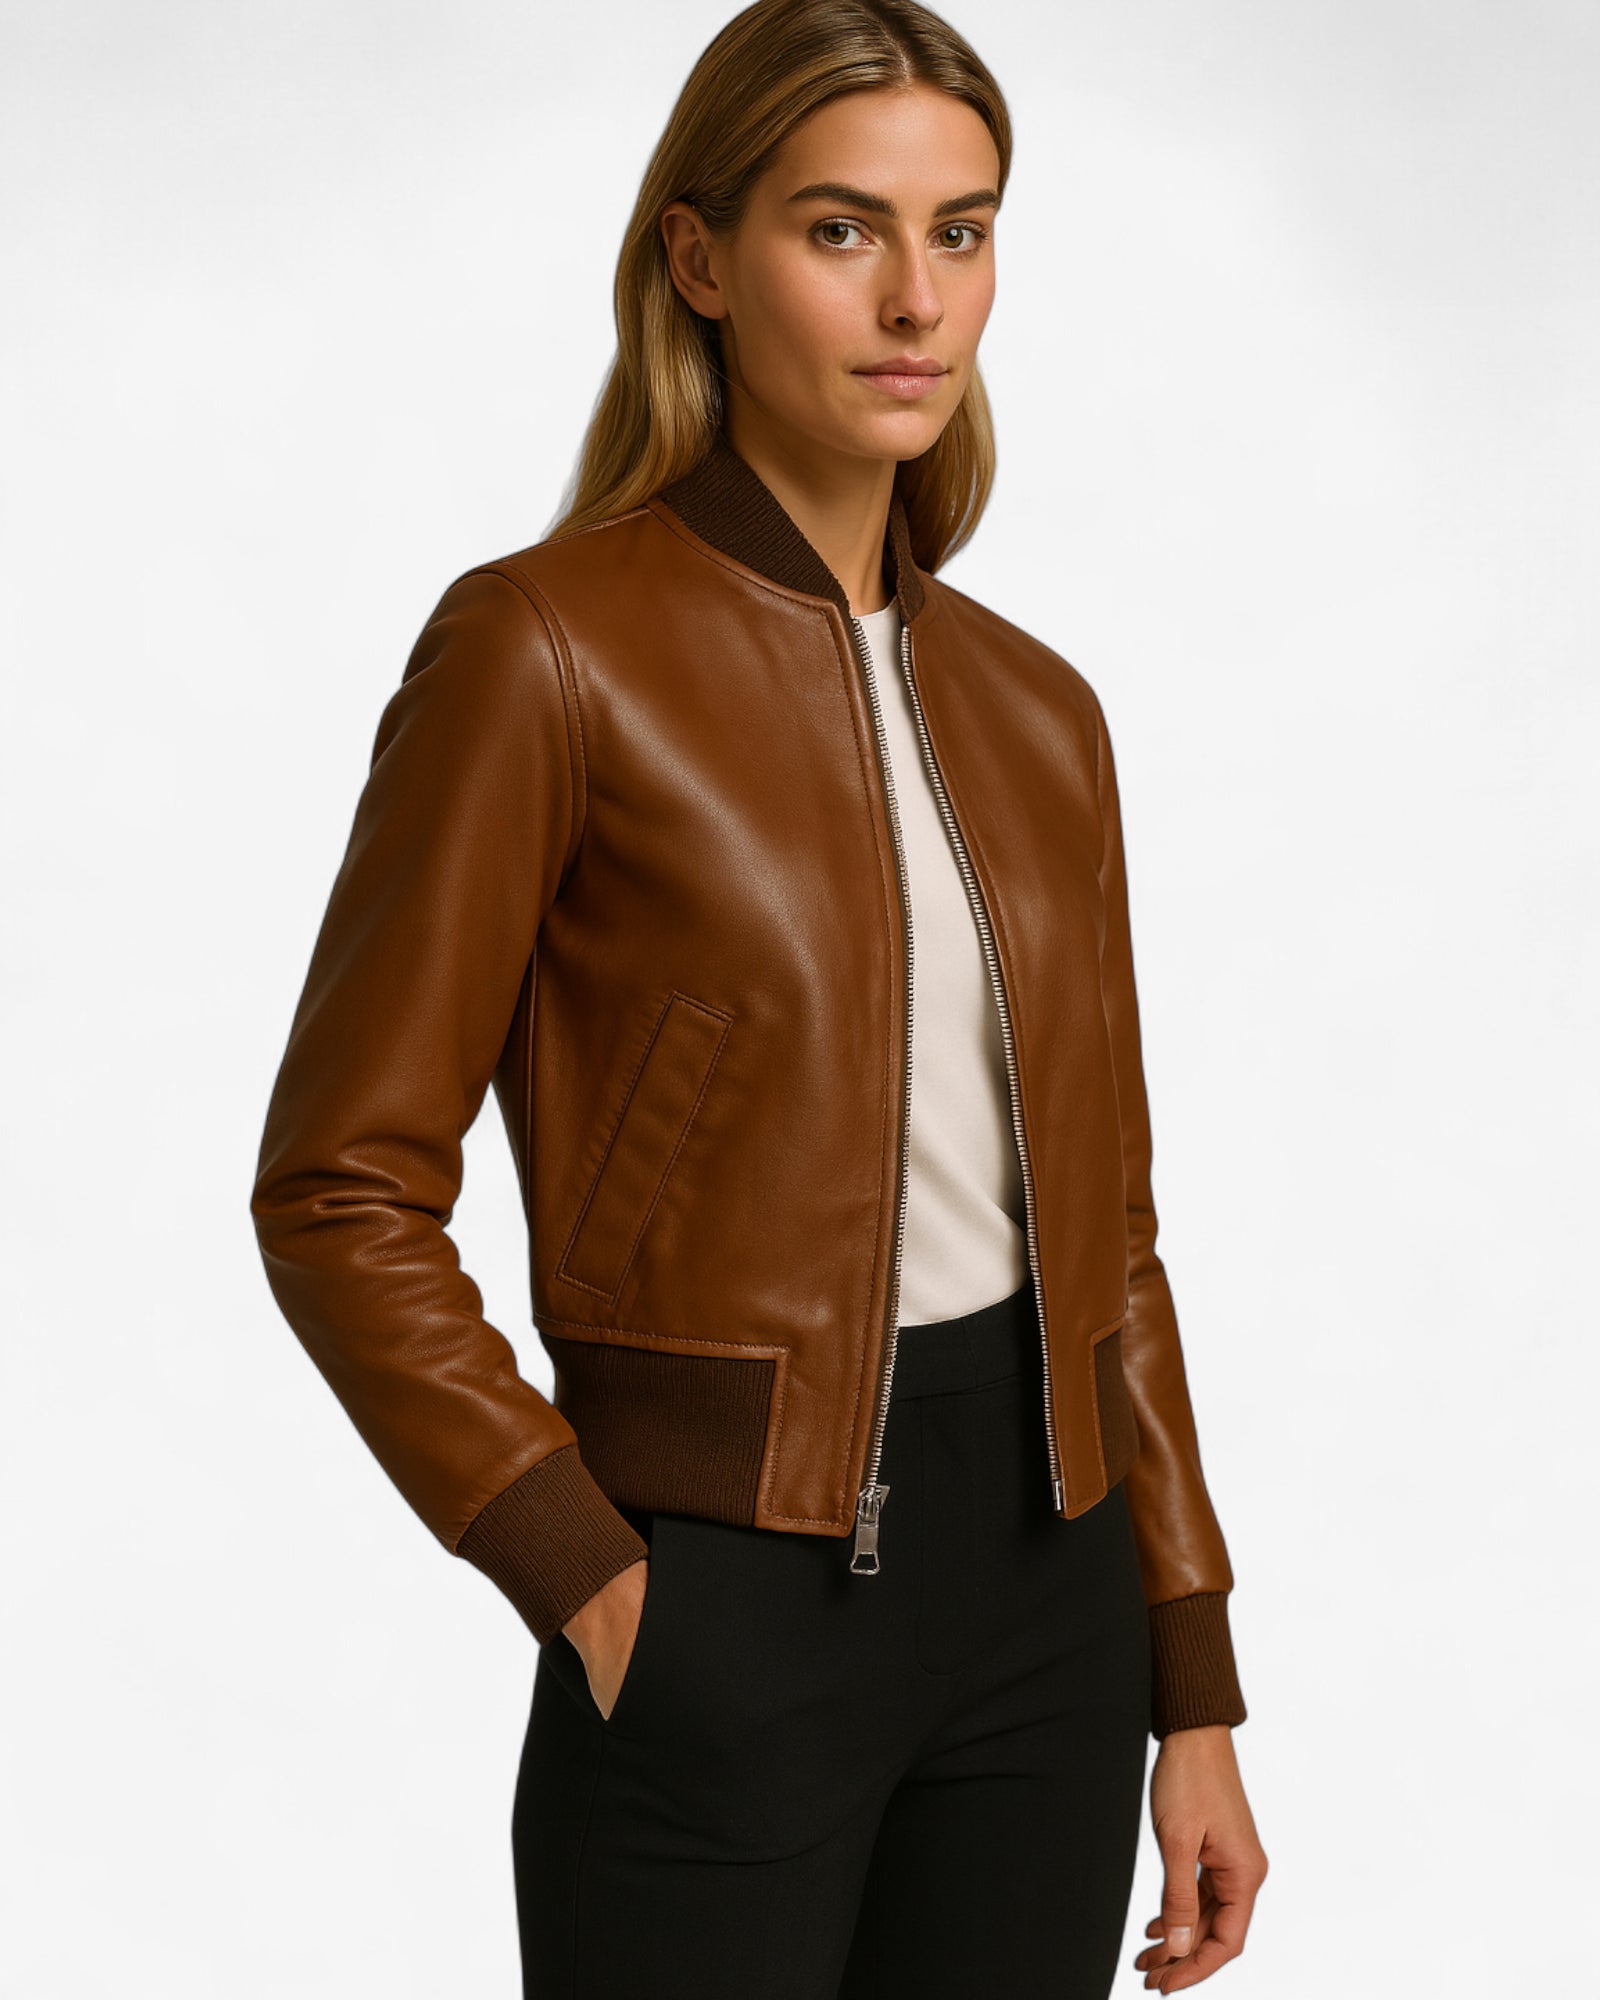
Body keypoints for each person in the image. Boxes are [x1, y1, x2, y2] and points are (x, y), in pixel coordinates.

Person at [249, 1, 1268, 1993]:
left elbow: (1112, 1243)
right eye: (840, 229)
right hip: (720, 1602)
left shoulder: (1039, 714)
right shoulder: (547, 652)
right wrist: (584, 1571)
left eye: (960, 231)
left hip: (1049, 1611)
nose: (914, 301)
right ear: (700, 259)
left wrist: (1189, 1673)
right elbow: (338, 1187)